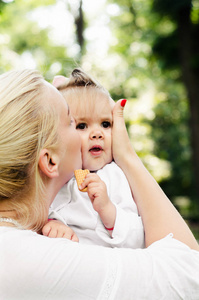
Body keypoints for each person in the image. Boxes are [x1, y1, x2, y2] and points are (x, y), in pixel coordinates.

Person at [0, 69, 199, 300]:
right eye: (73, 123)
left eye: (106, 123)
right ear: (50, 160)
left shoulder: (111, 181)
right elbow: (191, 275)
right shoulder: (37, 261)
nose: (96, 134)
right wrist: (129, 157)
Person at [43, 68, 144, 249]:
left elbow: (138, 238)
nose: (97, 134)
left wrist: (108, 210)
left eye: (105, 124)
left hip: (109, 264)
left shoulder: (115, 176)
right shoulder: (54, 177)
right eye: (82, 126)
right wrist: (52, 223)